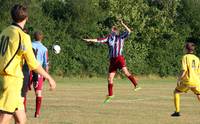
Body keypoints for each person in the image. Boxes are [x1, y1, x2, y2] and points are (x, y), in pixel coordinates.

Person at [0, 4, 56, 124]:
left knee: (21, 119)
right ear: (26, 18)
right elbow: (33, 64)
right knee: (4, 117)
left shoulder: (4, 32)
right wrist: (49, 77)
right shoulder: (23, 36)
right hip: (12, 80)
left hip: (5, 78)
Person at [83, 19, 141, 103]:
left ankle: (136, 85)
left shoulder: (121, 37)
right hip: (112, 60)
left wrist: (123, 24)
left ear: (116, 31)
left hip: (119, 58)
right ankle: (110, 95)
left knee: (125, 72)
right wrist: (89, 40)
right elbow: (98, 40)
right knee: (110, 78)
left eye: (113, 30)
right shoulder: (108, 38)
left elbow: (129, 31)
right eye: (111, 30)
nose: (111, 31)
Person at [171, 42, 200, 117]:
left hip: (188, 81)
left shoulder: (185, 57)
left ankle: (177, 112)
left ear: (186, 49)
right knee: (198, 94)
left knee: (176, 92)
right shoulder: (197, 59)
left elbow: (184, 70)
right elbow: (198, 72)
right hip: (196, 81)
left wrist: (179, 79)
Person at [29, 31, 49, 118]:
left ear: (34, 37)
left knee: (23, 92)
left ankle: (22, 111)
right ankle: (37, 113)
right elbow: (46, 63)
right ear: (42, 38)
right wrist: (46, 74)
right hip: (38, 71)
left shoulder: (29, 45)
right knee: (38, 92)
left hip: (28, 70)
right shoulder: (44, 49)